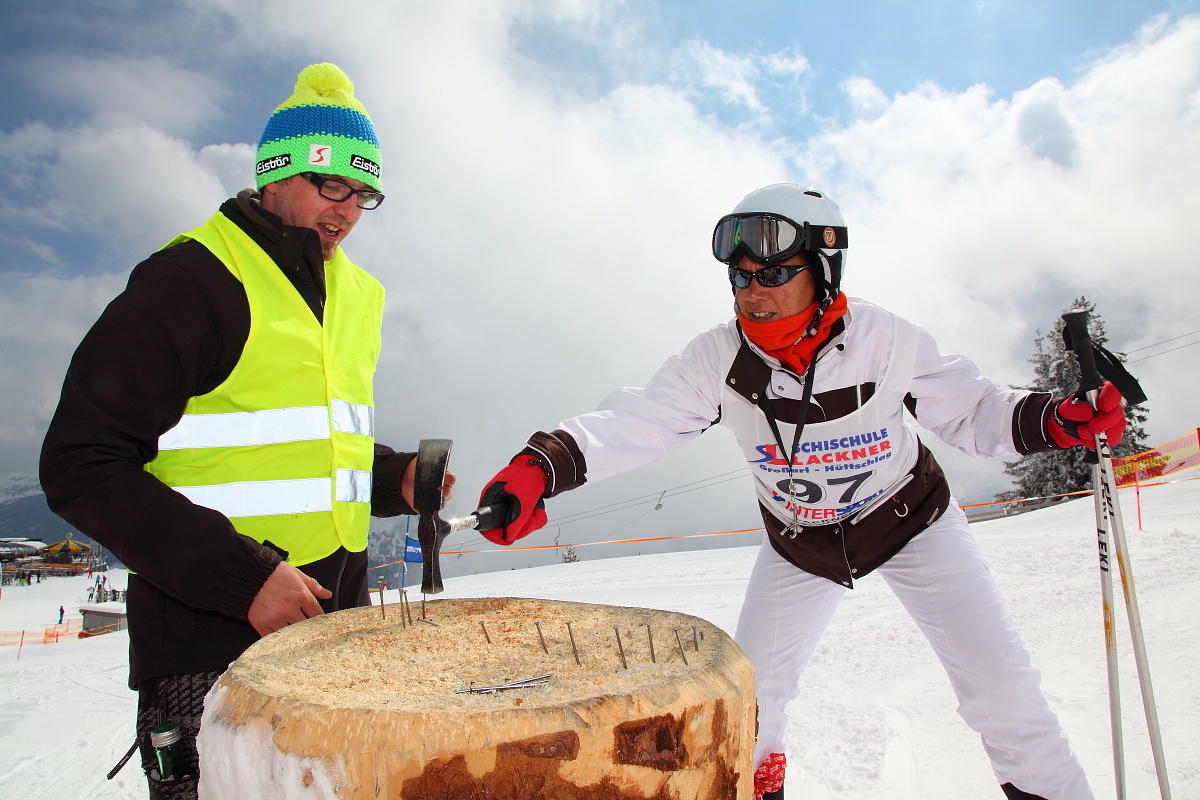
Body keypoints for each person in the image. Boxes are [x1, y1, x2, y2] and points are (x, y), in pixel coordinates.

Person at [475, 184, 1125, 800]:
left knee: (1003, 693)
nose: (754, 293)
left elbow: (973, 408)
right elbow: (636, 422)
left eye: (776, 273)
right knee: (749, 707)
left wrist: (1053, 420)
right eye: (741, 277)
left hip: (910, 521)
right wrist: (540, 470)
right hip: (800, 544)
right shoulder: (718, 359)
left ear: (824, 268)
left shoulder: (883, 340)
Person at [40, 63, 453, 800]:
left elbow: (300, 444)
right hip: (211, 644)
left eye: (364, 194)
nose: (348, 212)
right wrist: (243, 578)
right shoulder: (190, 280)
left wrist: (392, 480)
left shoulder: (356, 293)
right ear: (276, 174)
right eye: (332, 186)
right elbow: (81, 462)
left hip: (333, 629)